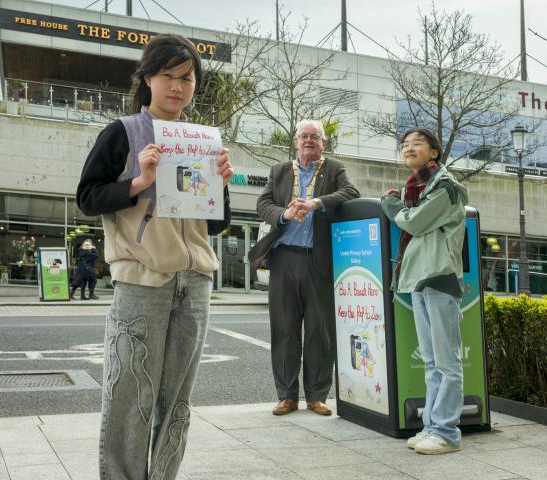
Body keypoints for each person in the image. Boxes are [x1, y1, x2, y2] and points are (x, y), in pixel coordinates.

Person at [76, 34, 234, 479]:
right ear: (147, 78)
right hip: (142, 278)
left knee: (177, 401)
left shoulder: (202, 140)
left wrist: (220, 186)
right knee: (129, 397)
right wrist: (138, 182)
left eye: (187, 78)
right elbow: (88, 197)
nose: (178, 86)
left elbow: (215, 225)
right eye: (168, 75)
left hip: (196, 280)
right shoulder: (123, 133)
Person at [249, 119, 360, 416]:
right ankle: (286, 395)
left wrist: (317, 203)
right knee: (284, 329)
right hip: (284, 258)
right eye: (304, 136)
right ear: (296, 141)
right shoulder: (280, 170)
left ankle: (317, 396)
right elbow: (262, 204)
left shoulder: (334, 169)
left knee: (319, 330)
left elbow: (351, 193)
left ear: (323, 143)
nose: (309, 140)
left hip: (318, 260)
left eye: (315, 136)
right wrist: (284, 213)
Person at [381, 128, 468, 455]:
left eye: (417, 143)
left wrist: (393, 208)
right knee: (432, 362)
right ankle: (432, 426)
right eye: (405, 145)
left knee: (447, 363)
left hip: (439, 277)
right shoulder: (417, 187)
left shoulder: (446, 187)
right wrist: (398, 203)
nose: (409, 148)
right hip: (418, 278)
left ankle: (447, 432)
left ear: (434, 153)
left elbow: (415, 223)